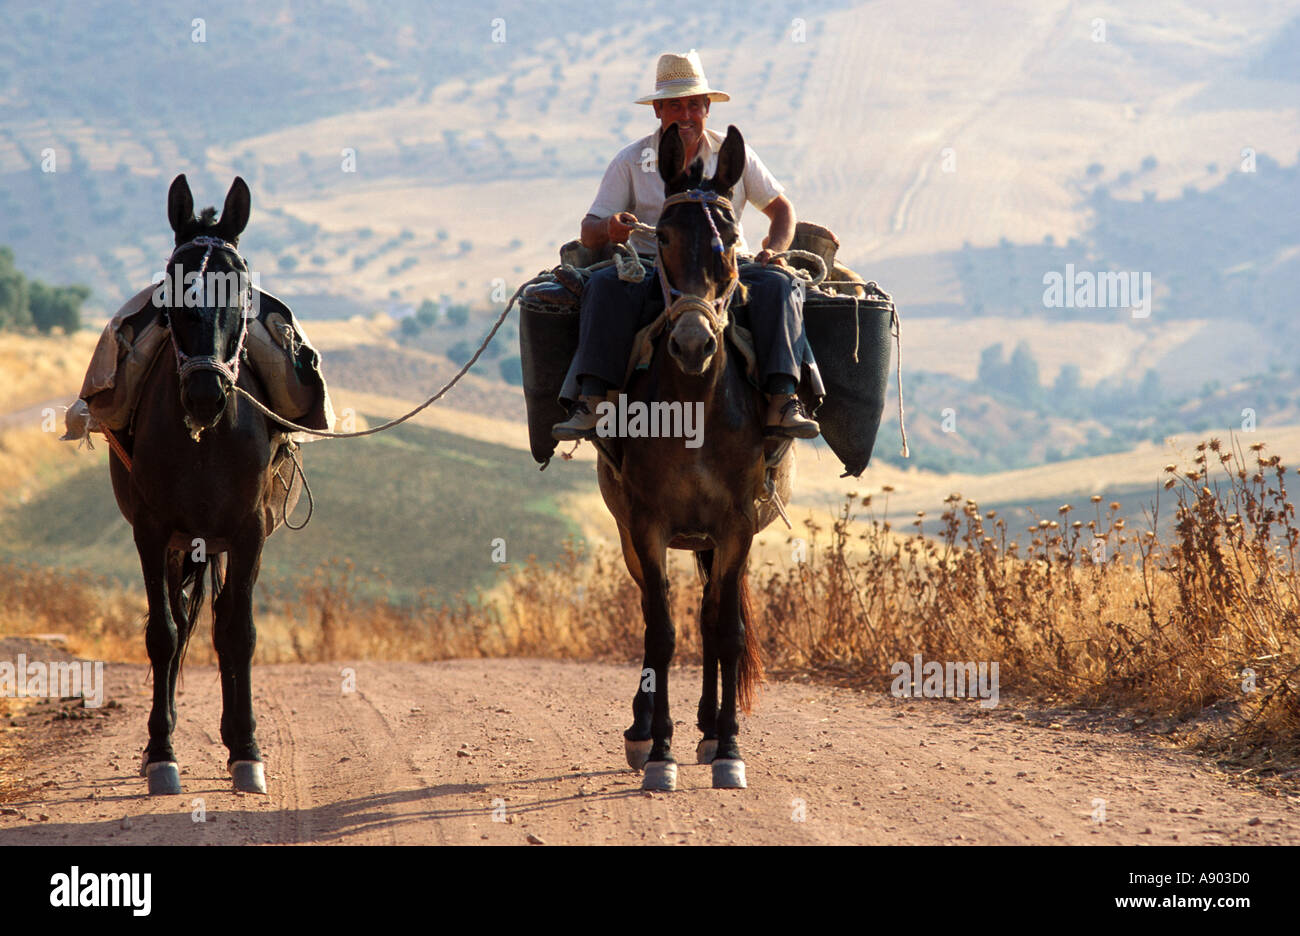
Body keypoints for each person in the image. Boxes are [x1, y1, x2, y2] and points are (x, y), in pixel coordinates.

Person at [553, 49, 822, 440]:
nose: (685, 115)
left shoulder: (738, 158)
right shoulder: (630, 161)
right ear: (658, 110)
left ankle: (783, 400)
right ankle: (592, 402)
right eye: (674, 105)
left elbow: (782, 209)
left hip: (727, 269)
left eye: (694, 104)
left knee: (781, 286)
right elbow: (589, 230)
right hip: (650, 268)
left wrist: (775, 248)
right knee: (605, 286)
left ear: (707, 108)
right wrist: (610, 227)